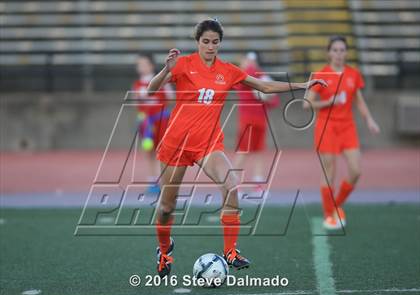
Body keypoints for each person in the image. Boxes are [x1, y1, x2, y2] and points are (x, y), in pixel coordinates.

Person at [148, 19, 327, 277]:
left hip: (208, 143)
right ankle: (164, 251)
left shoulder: (228, 70)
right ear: (197, 42)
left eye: (215, 42)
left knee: (231, 187)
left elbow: (264, 86)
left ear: (220, 43)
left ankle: (230, 252)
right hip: (176, 144)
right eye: (205, 41)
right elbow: (153, 90)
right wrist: (165, 70)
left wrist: (302, 85)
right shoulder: (183, 64)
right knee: (166, 207)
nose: (210, 46)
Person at [304, 35, 380, 230]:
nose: (339, 54)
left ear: (346, 53)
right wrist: (329, 102)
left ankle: (336, 204)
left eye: (342, 50)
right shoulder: (321, 75)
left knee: (356, 171)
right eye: (335, 50)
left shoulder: (353, 74)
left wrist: (369, 119)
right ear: (329, 53)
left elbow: (359, 101)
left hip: (348, 127)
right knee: (330, 172)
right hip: (326, 127)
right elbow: (307, 103)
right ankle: (329, 214)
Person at [234, 52, 280, 194]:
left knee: (258, 152)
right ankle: (233, 185)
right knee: (244, 152)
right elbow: (247, 75)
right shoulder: (247, 76)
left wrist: (267, 96)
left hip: (259, 120)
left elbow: (274, 101)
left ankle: (257, 186)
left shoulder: (256, 75)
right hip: (248, 120)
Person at [132, 54, 173, 193]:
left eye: (144, 64)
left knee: (163, 152)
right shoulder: (137, 85)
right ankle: (153, 180)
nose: (141, 67)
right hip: (146, 124)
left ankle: (165, 181)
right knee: (148, 151)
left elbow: (171, 98)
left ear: (151, 65)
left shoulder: (161, 81)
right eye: (139, 64)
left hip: (161, 121)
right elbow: (136, 103)